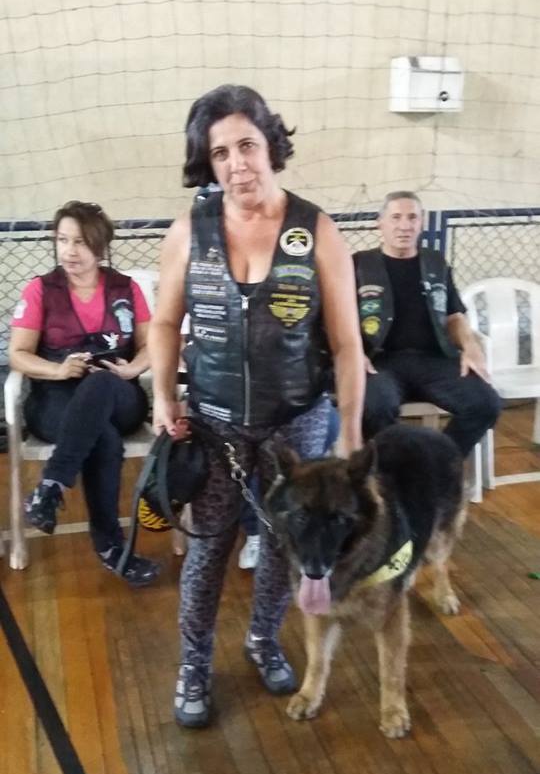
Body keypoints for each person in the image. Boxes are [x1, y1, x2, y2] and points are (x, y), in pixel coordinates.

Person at [148, 84, 365, 728]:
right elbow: (164, 323)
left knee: (279, 544)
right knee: (209, 548)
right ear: (208, 162)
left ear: (270, 145)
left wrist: (350, 431)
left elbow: (347, 344)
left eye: (247, 145)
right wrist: (163, 395)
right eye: (220, 153)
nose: (237, 164)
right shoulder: (189, 232)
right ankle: (193, 665)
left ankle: (264, 639)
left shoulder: (317, 230)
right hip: (213, 422)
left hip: (296, 422)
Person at [9, 200, 160, 587]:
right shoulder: (41, 289)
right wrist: (58, 369)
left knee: (101, 383)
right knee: (102, 437)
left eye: (79, 242)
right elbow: (18, 354)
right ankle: (112, 548)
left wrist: (133, 368)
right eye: (62, 240)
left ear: (99, 246)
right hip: (56, 400)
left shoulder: (126, 288)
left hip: (119, 393)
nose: (69, 251)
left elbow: (152, 344)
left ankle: (50, 485)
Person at [353, 190, 500, 457]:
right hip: (380, 363)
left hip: (433, 360)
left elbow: (454, 315)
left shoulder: (436, 262)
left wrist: (470, 346)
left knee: (485, 404)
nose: (405, 225)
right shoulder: (360, 264)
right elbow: (340, 318)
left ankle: (437, 463)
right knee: (375, 407)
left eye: (413, 217)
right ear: (380, 223)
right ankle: (390, 472)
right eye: (396, 217)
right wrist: (352, 352)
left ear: (422, 223)